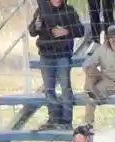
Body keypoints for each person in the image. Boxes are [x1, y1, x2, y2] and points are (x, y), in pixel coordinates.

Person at [29, 0, 84, 130]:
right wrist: (36, 26)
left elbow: (80, 30)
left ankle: (66, 121)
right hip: (45, 55)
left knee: (65, 89)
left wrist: (67, 31)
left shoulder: (69, 10)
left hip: (63, 55)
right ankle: (54, 119)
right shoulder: (41, 11)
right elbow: (32, 31)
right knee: (49, 90)